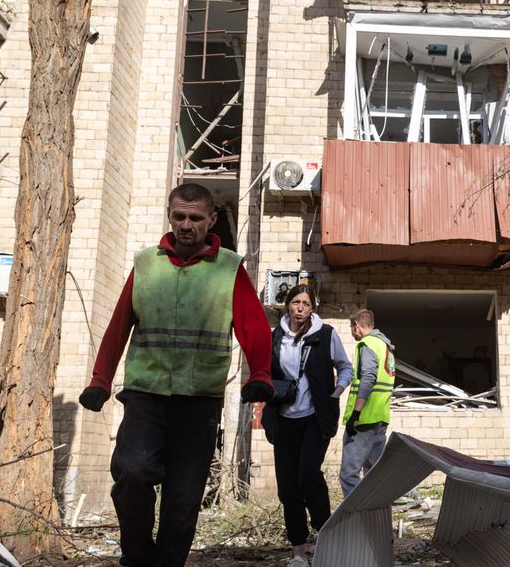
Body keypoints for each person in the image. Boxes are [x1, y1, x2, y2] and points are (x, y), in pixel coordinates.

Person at [77, 183, 273, 567]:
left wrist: (260, 374)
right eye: (179, 216)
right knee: (132, 473)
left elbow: (255, 328)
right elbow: (119, 326)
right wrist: (100, 380)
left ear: (211, 220)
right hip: (145, 394)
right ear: (170, 216)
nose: (186, 224)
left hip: (199, 401)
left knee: (182, 502)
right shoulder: (146, 264)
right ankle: (136, 557)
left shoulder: (229, 269)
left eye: (196, 218)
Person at [262, 283, 353, 562]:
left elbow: (345, 367)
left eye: (306, 304)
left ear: (313, 308)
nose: (300, 308)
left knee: (308, 474)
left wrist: (334, 394)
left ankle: (325, 532)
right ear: (287, 305)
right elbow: (265, 369)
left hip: (315, 417)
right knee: (288, 485)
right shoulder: (276, 336)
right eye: (295, 303)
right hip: (284, 418)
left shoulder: (325, 335)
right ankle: (299, 550)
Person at [338, 309, 396, 496]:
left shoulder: (367, 344)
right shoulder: (384, 347)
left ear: (356, 325)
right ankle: (376, 520)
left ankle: (356, 519)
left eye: (351, 327)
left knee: (349, 475)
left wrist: (356, 413)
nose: (352, 332)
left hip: (363, 421)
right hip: (380, 419)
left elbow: (369, 378)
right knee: (374, 474)